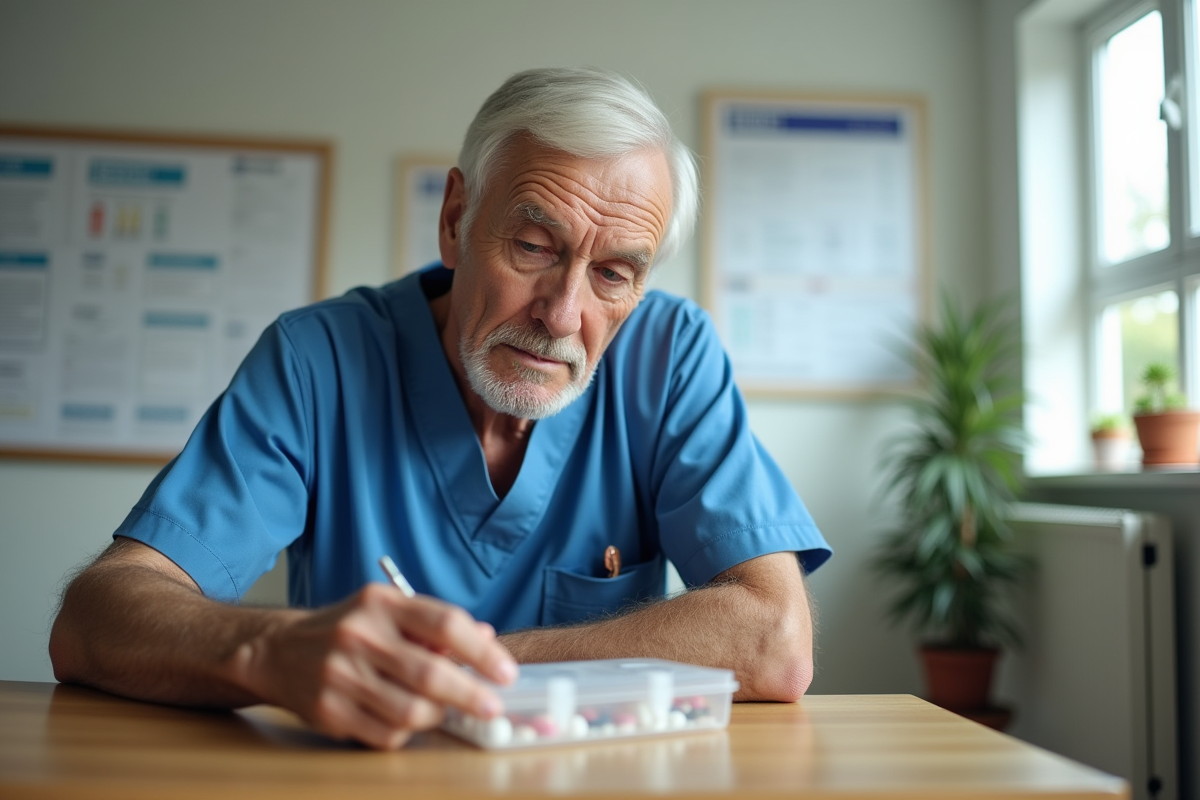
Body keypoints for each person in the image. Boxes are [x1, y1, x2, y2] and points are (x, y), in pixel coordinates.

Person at [49, 67, 832, 750]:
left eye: (614, 274)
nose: (562, 315)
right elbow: (96, 619)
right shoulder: (317, 360)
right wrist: (264, 651)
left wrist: (462, 668)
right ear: (457, 218)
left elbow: (773, 640)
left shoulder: (668, 358)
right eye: (534, 246)